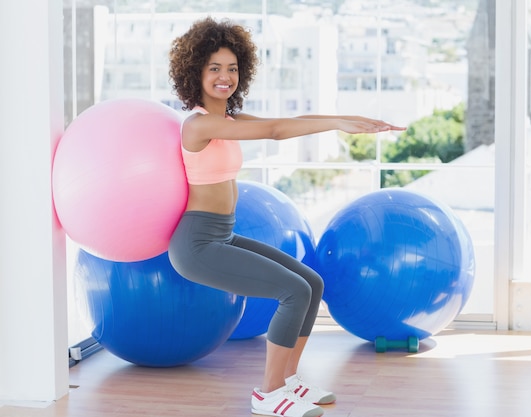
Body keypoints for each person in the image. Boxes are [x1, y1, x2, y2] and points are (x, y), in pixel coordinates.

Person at [167, 16, 405, 417]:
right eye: (214, 69)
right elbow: (276, 131)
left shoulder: (227, 121)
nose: (225, 77)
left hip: (221, 235)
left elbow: (288, 124)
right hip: (198, 244)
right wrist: (336, 123)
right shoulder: (198, 124)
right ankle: (268, 394)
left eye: (232, 68)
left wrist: (340, 120)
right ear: (195, 73)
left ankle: (289, 382)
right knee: (291, 291)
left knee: (310, 282)